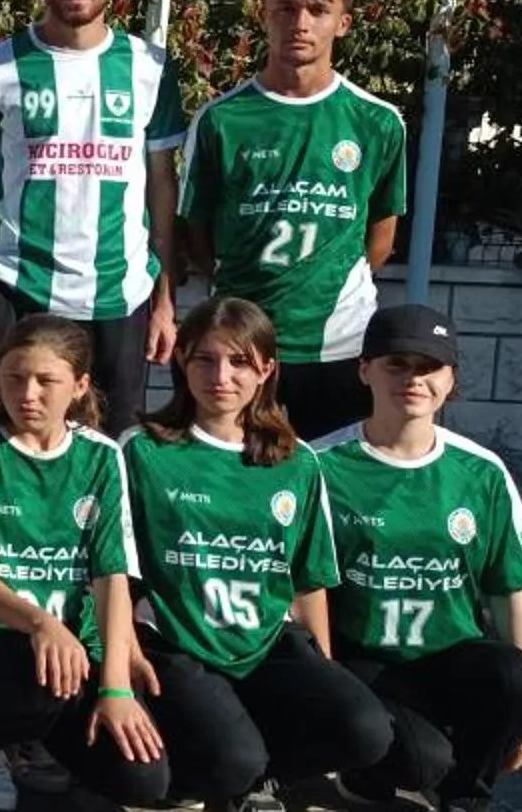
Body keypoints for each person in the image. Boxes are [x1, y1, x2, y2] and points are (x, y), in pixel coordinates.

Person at [123, 296, 390, 810]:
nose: (221, 375)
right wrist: (126, 661)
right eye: (205, 358)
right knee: (233, 761)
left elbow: (307, 580)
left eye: (239, 361)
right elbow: (117, 575)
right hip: (177, 646)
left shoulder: (297, 461)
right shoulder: (144, 450)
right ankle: (209, 770)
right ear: (182, 362)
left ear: (266, 369)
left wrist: (324, 672)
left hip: (266, 644)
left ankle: (239, 772)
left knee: (366, 731)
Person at [0, 0, 188, 425]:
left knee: (112, 453)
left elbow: (163, 186)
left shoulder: (151, 68)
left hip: (119, 296)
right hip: (19, 287)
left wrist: (165, 298)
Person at [317, 305, 522, 812]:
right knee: (422, 763)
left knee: (519, 679)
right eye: (396, 364)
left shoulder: (482, 471)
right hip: (366, 660)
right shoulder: (321, 466)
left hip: (449, 657)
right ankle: (365, 769)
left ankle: (466, 797)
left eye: (428, 367)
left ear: (450, 379)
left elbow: (509, 589)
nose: (413, 379)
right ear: (365, 369)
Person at [0, 314, 166, 812]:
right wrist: (42, 624)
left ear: (80, 386)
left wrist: (117, 687)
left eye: (46, 381)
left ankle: (47, 740)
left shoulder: (102, 456)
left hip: (73, 647)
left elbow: (111, 577)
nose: (28, 394)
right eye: (14, 378)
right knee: (35, 686)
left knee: (143, 781)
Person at [179, 0, 406, 440]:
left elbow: (381, 238)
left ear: (342, 23)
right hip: (244, 346)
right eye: (285, 9)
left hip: (339, 346)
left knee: (328, 489)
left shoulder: (377, 121)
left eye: (317, 10)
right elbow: (195, 234)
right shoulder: (222, 119)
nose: (299, 23)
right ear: (263, 15)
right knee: (243, 485)